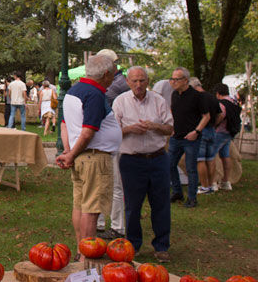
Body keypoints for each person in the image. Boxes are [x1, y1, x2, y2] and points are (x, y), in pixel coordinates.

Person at [55, 54, 121, 245]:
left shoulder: (73, 91)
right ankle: (87, 255)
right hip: (94, 157)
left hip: (82, 157)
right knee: (91, 210)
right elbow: (87, 132)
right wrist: (71, 154)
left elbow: (65, 125)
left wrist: (68, 151)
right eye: (114, 74)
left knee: (80, 205)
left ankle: (80, 249)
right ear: (106, 74)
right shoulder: (94, 94)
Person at [111, 66, 174, 262]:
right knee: (132, 205)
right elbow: (113, 132)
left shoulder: (159, 100)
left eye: (142, 81)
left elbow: (170, 129)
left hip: (158, 158)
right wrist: (129, 129)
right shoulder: (120, 102)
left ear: (148, 82)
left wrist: (155, 126)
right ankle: (134, 245)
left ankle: (161, 246)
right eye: (135, 81)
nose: (138, 85)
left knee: (161, 203)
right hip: (131, 160)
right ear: (128, 82)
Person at [167, 67, 212, 208]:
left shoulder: (197, 96)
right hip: (176, 137)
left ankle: (192, 197)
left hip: (191, 138)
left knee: (191, 168)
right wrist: (172, 127)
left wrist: (196, 132)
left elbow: (206, 116)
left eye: (176, 79)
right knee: (169, 165)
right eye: (172, 79)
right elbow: (173, 111)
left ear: (185, 80)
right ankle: (177, 192)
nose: (173, 82)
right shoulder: (175, 95)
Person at [97, 48, 129, 239]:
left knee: (115, 184)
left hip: (113, 140)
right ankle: (102, 222)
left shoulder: (116, 85)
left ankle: (117, 225)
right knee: (105, 182)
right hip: (108, 138)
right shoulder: (117, 83)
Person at [190, 77, 223, 195]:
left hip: (200, 130)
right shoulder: (212, 97)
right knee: (211, 158)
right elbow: (221, 114)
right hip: (212, 131)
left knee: (200, 159)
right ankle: (211, 184)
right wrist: (214, 124)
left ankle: (204, 186)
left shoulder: (196, 97)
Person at [213, 83, 239, 191]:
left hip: (220, 132)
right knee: (225, 156)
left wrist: (215, 124)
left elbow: (221, 115)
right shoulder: (233, 102)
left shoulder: (221, 104)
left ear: (217, 94)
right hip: (229, 133)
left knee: (211, 156)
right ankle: (225, 181)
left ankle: (212, 181)